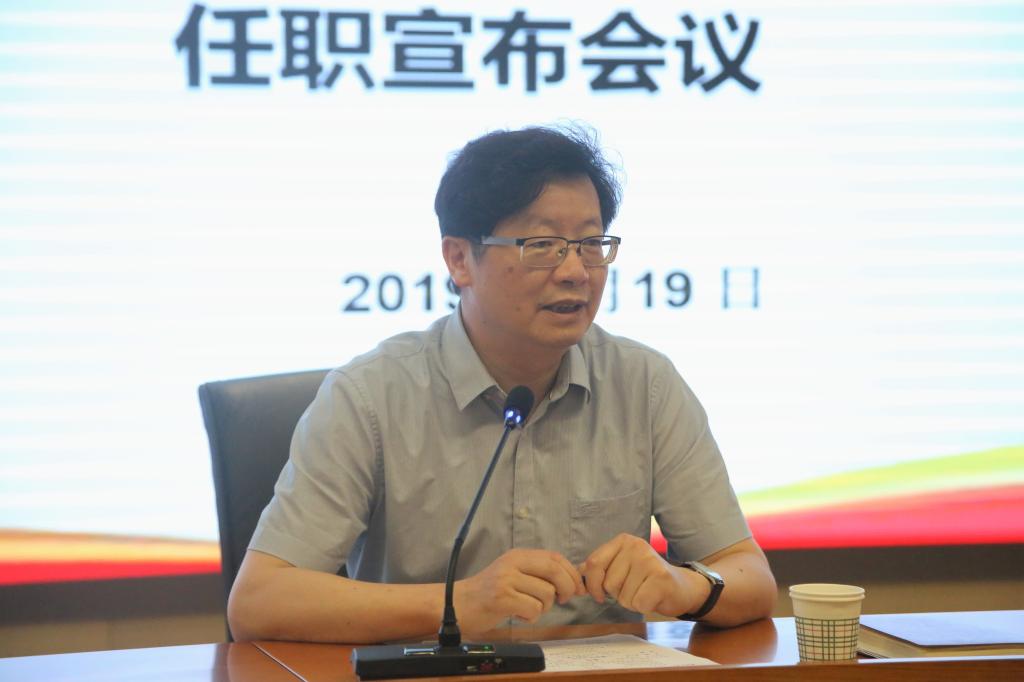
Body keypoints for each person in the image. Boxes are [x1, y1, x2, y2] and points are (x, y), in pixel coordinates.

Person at [228, 126, 777, 644]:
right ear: (459, 259)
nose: (575, 271)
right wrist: (457, 603)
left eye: (590, 243)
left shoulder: (645, 386)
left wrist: (683, 586)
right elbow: (259, 601)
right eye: (541, 245)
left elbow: (749, 577)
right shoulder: (370, 396)